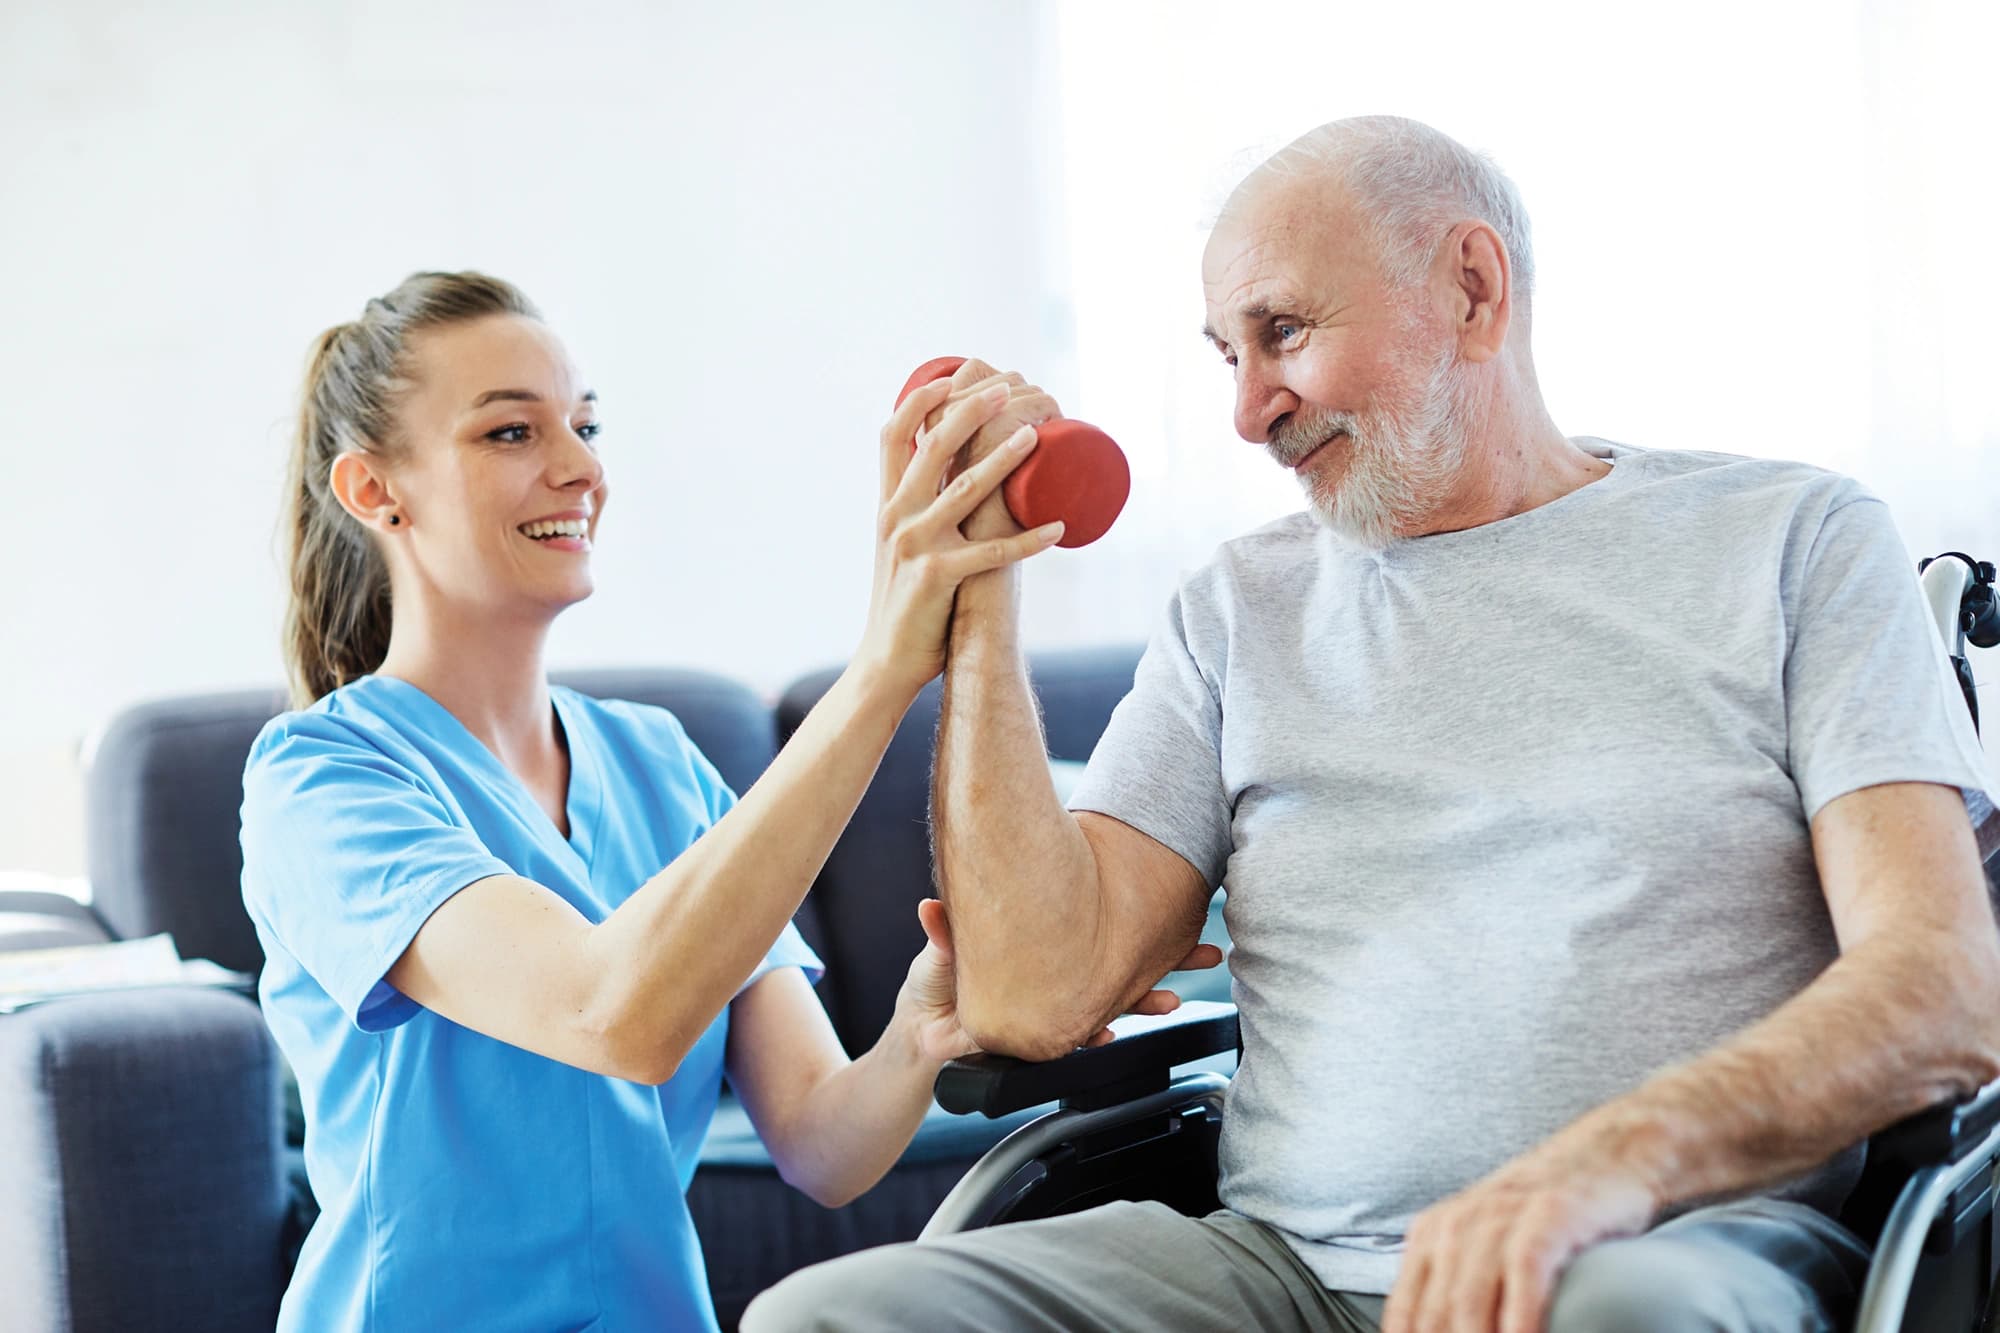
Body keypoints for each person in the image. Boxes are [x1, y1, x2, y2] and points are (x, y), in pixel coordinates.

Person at [744, 116, 2000, 1333]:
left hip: (1661, 1247)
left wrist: (1606, 1165)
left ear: (1470, 286)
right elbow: (1028, 995)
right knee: (829, 1315)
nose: (1248, 410)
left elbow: (1944, 985)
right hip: (1280, 1272)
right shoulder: (1236, 609)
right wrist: (979, 595)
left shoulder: (1791, 541)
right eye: (1221, 355)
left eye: (1279, 331)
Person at [237, 271, 1179, 1331]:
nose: (579, 466)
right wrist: (881, 668)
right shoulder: (321, 780)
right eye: (510, 433)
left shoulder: (654, 762)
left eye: (585, 425)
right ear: (372, 491)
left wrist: (927, 1025)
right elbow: (611, 1014)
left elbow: (824, 1145)